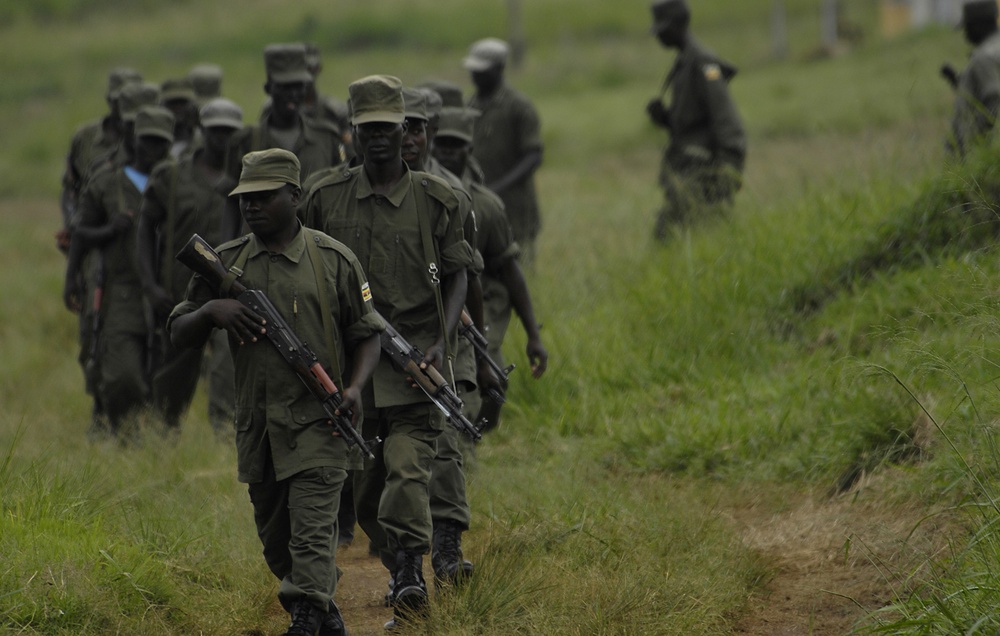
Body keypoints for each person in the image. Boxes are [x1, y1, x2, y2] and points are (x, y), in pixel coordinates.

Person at [168, 148, 383, 636]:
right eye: (246, 198)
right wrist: (210, 312)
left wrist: (354, 387)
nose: (252, 206)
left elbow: (367, 331)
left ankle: (305, 620)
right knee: (278, 546)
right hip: (260, 429)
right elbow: (177, 329)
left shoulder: (334, 260)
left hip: (321, 423)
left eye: (265, 197)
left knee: (311, 542)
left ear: (296, 196)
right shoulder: (225, 263)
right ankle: (324, 616)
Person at [301, 74, 474, 628]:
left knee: (405, 469)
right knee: (368, 483)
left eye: (387, 128)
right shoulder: (325, 197)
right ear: (352, 132)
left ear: (406, 131)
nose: (378, 138)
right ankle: (398, 556)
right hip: (353, 369)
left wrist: (437, 342)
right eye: (366, 129)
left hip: (414, 368)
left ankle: (408, 574)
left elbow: (458, 276)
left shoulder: (438, 199)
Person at [63, 105, 175, 442]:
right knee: (121, 374)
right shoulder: (107, 181)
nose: (153, 149)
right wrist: (73, 278)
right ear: (133, 140)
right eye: (147, 140)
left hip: (166, 292)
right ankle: (125, 436)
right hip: (121, 291)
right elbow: (81, 232)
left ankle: (152, 438)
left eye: (160, 142)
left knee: (162, 374)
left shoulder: (177, 182)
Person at [432, 105, 548, 422]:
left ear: (469, 149)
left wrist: (532, 334)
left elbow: (511, 271)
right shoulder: (420, 196)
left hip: (479, 302)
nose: (447, 153)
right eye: (441, 145)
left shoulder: (485, 204)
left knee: (486, 377)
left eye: (455, 146)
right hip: (432, 305)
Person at [136, 98, 244, 433]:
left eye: (229, 132)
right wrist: (151, 287)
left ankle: (224, 440)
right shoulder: (172, 176)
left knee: (228, 372)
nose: (221, 139)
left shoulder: (248, 178)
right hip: (181, 295)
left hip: (231, 291)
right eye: (215, 131)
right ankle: (162, 438)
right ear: (201, 130)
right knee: (173, 378)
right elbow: (145, 230)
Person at [646, 0, 747, 240]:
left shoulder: (702, 63)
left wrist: (729, 170)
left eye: (662, 30)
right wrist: (666, 119)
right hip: (684, 169)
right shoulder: (684, 63)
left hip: (702, 173)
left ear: (676, 25)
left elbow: (727, 120)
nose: (659, 37)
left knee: (675, 239)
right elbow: (693, 122)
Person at [464, 37, 544, 265]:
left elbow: (533, 155)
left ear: (500, 69)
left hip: (515, 209)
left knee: (521, 272)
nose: (475, 76)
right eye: (473, 70)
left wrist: (500, 187)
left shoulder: (519, 107)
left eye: (482, 71)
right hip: (478, 210)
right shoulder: (468, 108)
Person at [232, 43, 345, 185]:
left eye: (298, 86)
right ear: (268, 88)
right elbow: (233, 197)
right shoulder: (247, 142)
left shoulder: (326, 138)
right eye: (284, 87)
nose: (292, 94)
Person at [943, 0, 1000, 156]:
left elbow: (994, 99)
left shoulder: (983, 58)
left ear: (978, 25)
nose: (965, 34)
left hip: (978, 156)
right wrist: (959, 81)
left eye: (967, 27)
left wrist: (973, 140)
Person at [159, 78, 200, 158]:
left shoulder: (202, 142)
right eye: (172, 103)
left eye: (183, 103)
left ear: (193, 106)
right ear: (161, 106)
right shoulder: (152, 143)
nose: (178, 108)